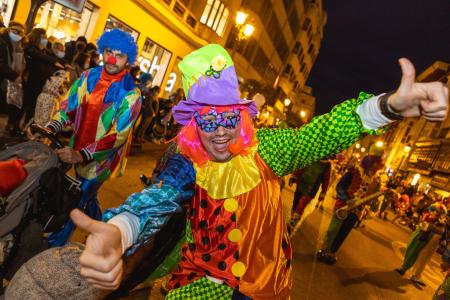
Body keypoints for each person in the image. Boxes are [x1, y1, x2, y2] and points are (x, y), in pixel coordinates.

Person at [7, 44, 449, 299]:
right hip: (200, 284)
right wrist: (121, 230)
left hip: (265, 286)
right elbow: (155, 198)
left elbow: (319, 135)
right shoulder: (188, 162)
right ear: (193, 124)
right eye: (207, 120)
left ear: (243, 116)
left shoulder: (268, 149)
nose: (219, 132)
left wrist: (387, 107)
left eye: (228, 118)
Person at [25, 29, 141, 247]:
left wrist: (81, 155)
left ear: (129, 61)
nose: (112, 59)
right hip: (72, 149)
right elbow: (67, 109)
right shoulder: (88, 77)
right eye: (108, 51)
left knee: (74, 204)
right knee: (83, 196)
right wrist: (47, 128)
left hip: (100, 161)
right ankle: (102, 226)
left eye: (120, 55)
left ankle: (51, 251)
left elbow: (117, 137)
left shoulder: (131, 95)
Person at [317, 151, 385, 264]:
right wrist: (346, 199)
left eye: (378, 166)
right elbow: (340, 187)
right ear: (369, 163)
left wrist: (370, 206)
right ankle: (324, 249)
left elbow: (373, 198)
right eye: (375, 165)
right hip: (343, 206)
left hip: (357, 211)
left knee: (343, 233)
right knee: (333, 229)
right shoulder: (354, 172)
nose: (376, 168)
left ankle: (331, 253)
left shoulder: (375, 181)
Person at [395, 201, 447, 286]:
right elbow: (422, 223)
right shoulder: (428, 216)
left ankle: (413, 274)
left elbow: (441, 231)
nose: (435, 212)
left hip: (427, 240)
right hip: (419, 234)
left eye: (438, 211)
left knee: (421, 257)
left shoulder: (441, 222)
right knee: (410, 250)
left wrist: (431, 226)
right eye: (435, 210)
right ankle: (404, 268)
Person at [23, 28, 64, 124]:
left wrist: (62, 63)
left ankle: (26, 126)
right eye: (43, 37)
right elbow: (40, 57)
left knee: (33, 106)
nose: (45, 39)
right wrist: (54, 62)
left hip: (39, 81)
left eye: (46, 37)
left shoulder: (43, 50)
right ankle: (18, 126)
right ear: (37, 37)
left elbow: (52, 55)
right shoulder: (30, 48)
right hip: (31, 80)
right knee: (27, 105)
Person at [0, 21, 26, 136]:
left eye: (21, 33)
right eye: (16, 31)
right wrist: (14, 76)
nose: (18, 34)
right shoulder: (2, 42)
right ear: (9, 29)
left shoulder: (11, 45)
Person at [289, 159, 331, 225]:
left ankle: (293, 221)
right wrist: (294, 177)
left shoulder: (327, 166)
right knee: (295, 203)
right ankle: (293, 217)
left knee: (301, 205)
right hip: (301, 184)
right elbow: (301, 167)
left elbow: (326, 181)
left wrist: (323, 193)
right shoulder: (312, 157)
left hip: (311, 190)